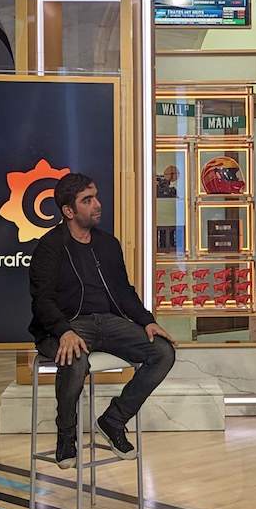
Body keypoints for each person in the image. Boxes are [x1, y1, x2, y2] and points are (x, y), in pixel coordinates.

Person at [29, 173, 176, 469]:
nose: (97, 204)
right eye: (87, 200)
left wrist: (146, 320)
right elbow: (42, 300)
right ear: (69, 211)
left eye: (95, 197)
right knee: (75, 359)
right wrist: (64, 331)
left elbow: (123, 291)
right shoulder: (50, 246)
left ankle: (113, 419)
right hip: (66, 325)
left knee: (163, 352)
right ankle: (66, 434)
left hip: (107, 322)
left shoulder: (108, 244)